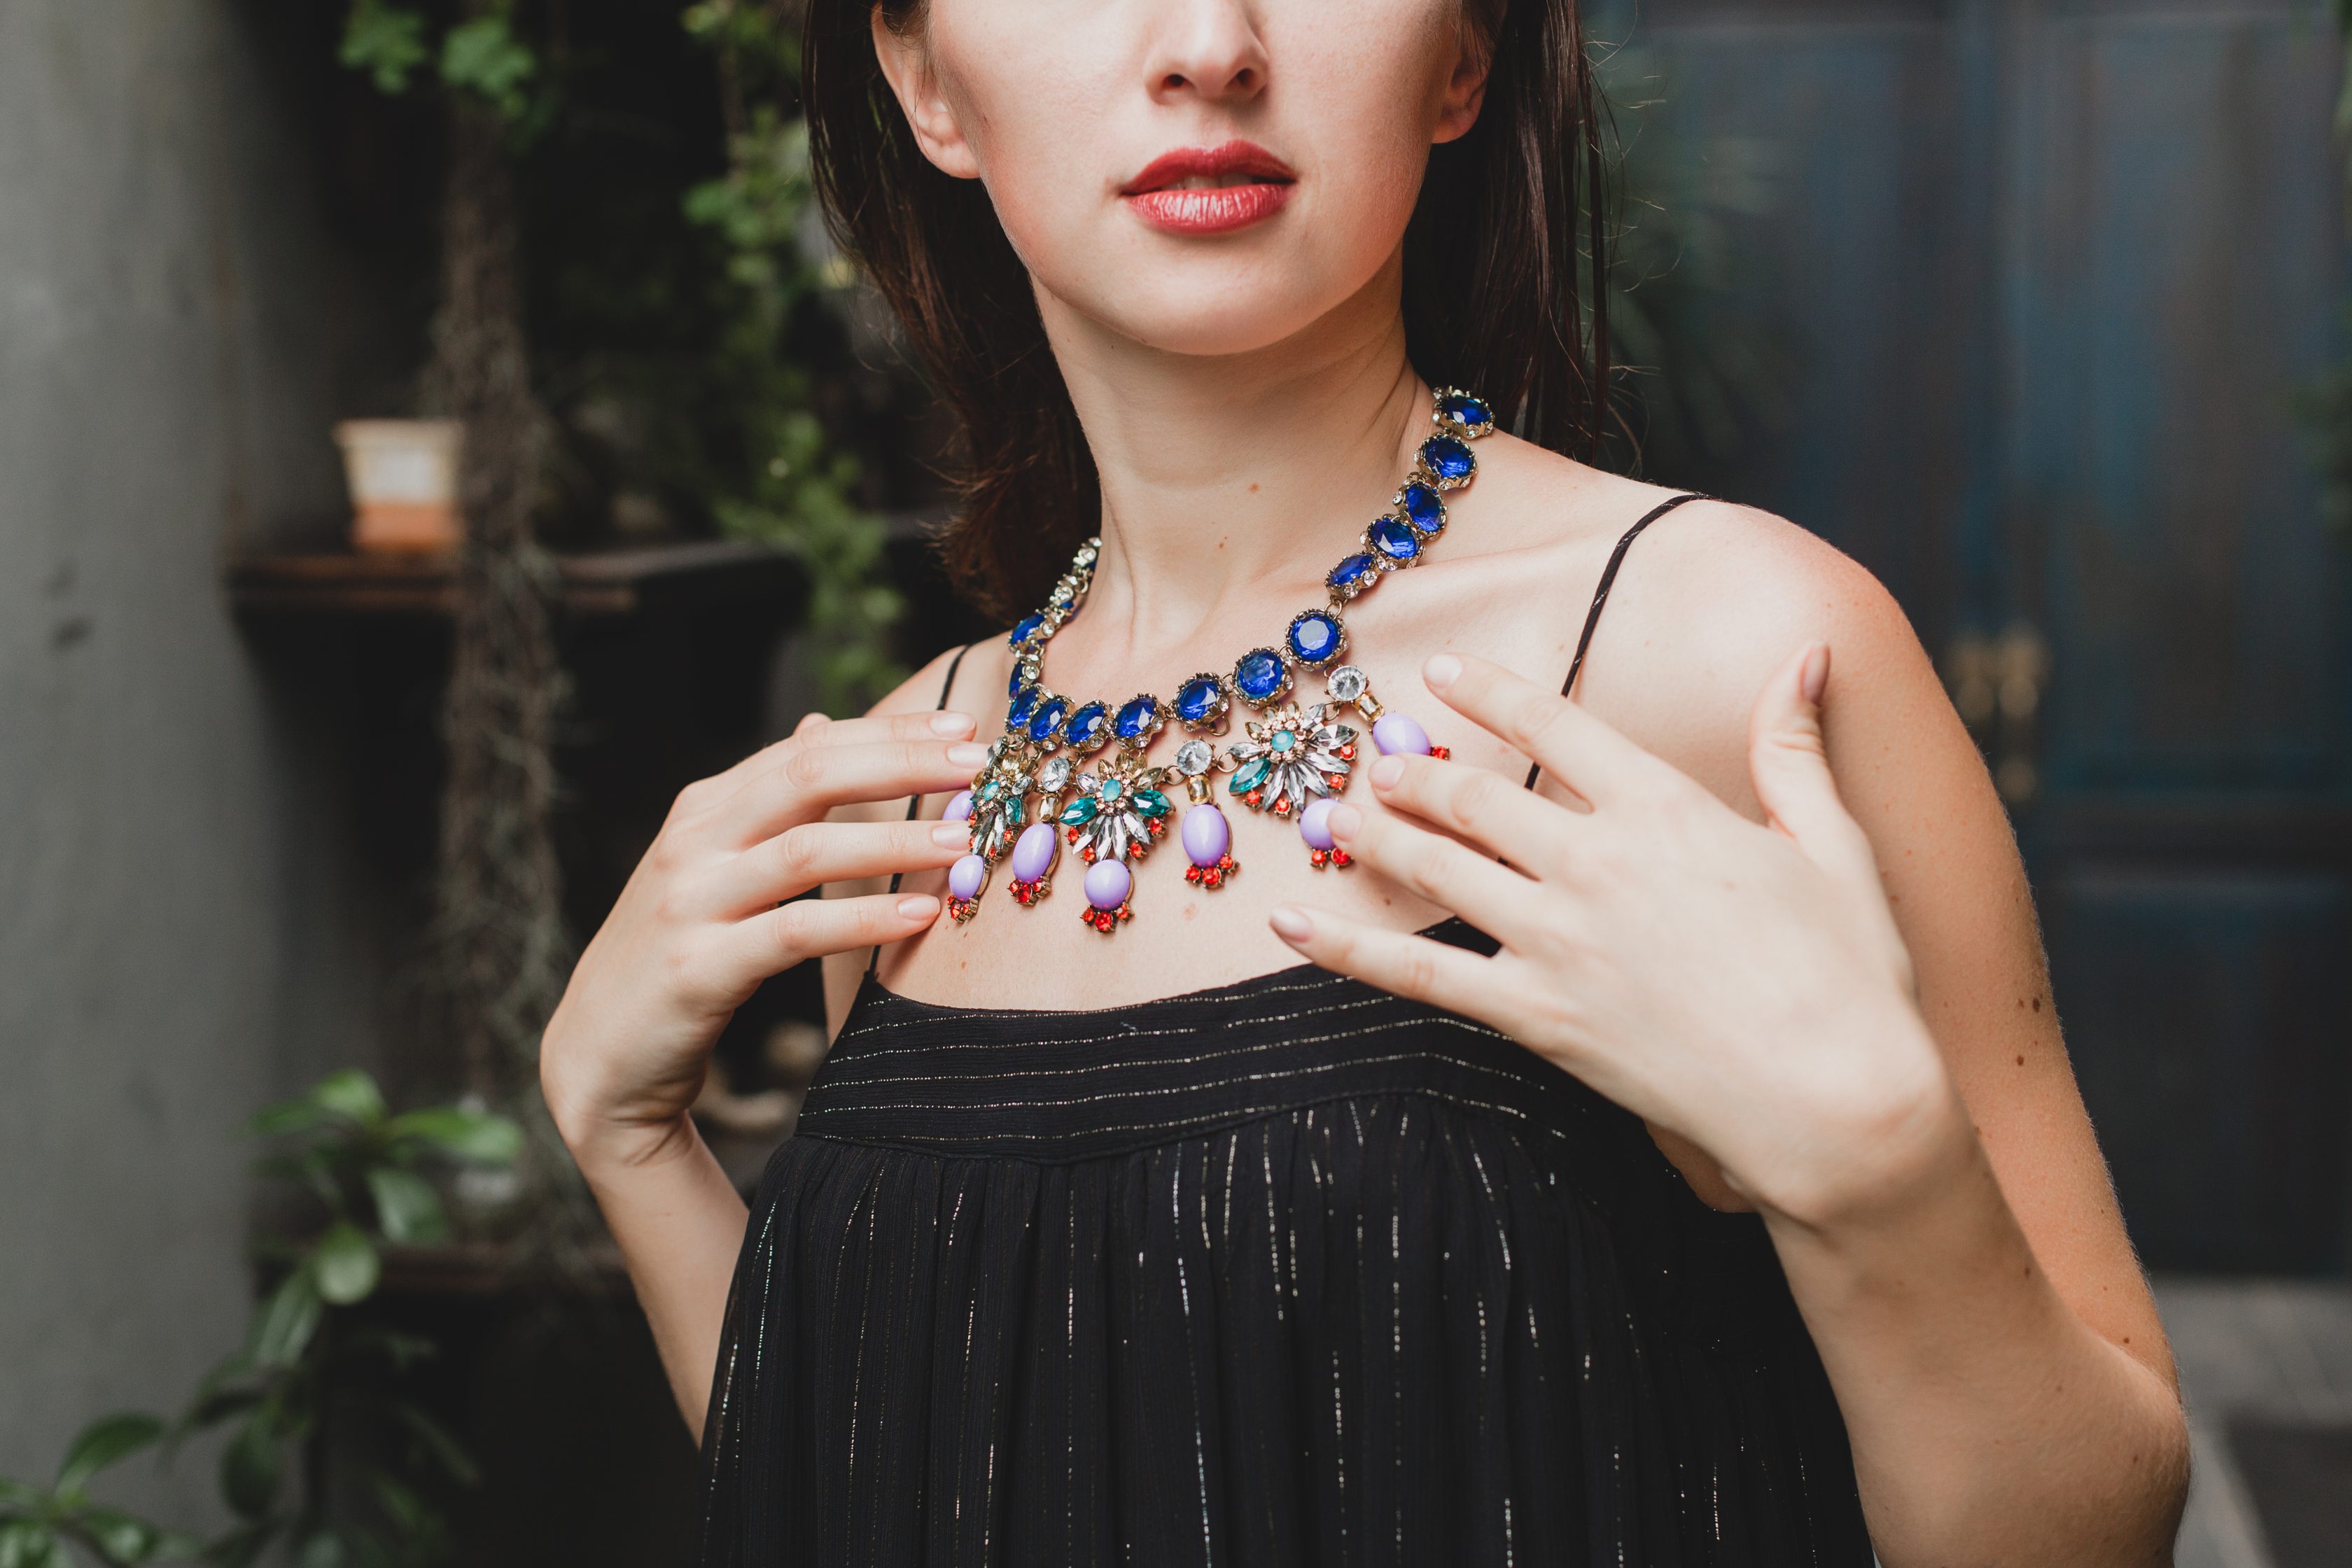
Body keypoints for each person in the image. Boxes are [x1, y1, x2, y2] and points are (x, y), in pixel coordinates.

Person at [539, 0, 2192, 1560]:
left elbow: (2098, 1533)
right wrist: (635, 1147)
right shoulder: (914, 788)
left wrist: (1883, 1175)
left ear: (1462, 55)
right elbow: (885, 1488)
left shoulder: (1726, 653)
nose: (1209, 47)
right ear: (926, 82)